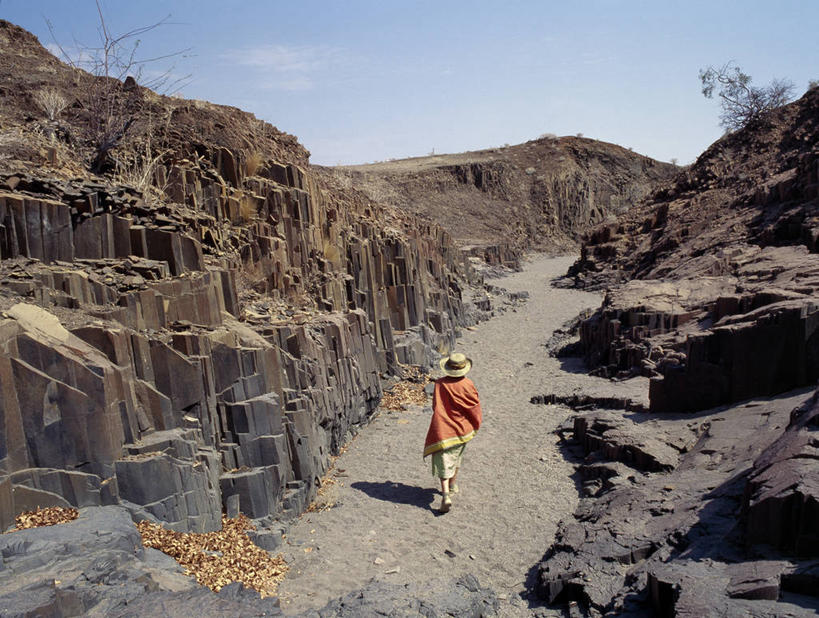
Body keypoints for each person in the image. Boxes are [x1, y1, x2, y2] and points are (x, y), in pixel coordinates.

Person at [423, 352, 482, 513]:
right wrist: (473, 422)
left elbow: (436, 406)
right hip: (462, 430)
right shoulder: (468, 384)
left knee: (443, 461)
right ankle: (453, 485)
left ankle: (445, 495)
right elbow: (474, 406)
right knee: (456, 458)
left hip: (444, 429)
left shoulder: (440, 384)